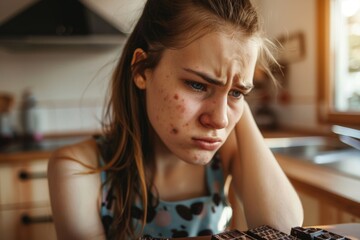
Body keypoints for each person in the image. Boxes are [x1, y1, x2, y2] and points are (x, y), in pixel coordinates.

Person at [47, 0, 304, 239]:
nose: (219, 120)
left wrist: (233, 93)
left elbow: (282, 230)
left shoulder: (226, 154)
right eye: (197, 85)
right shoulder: (78, 169)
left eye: (238, 93)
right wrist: (230, 87)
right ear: (141, 70)